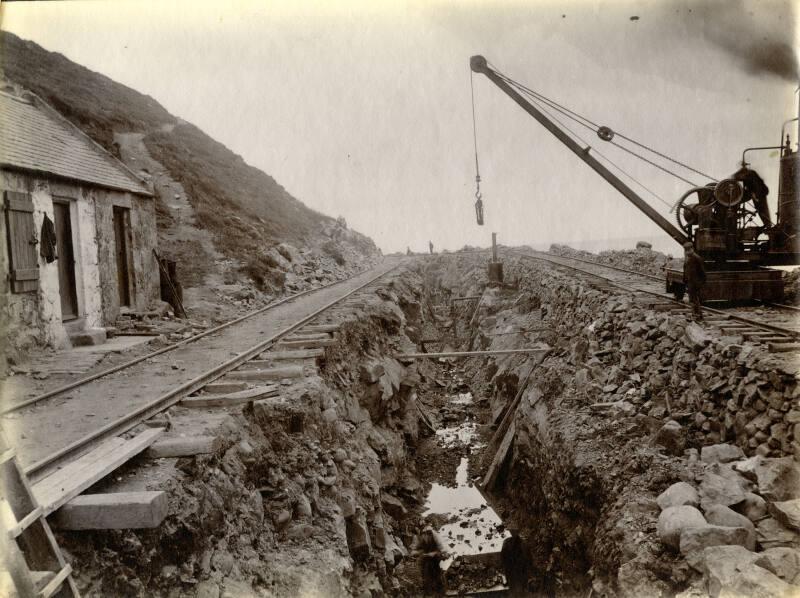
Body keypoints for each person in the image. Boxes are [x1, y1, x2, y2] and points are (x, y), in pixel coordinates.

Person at [413, 525, 446, 595]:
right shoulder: (422, 538)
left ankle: (440, 590)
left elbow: (442, 549)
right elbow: (416, 549)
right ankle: (429, 591)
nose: (425, 536)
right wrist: (418, 552)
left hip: (437, 557)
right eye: (423, 534)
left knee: (437, 573)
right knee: (427, 572)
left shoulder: (435, 536)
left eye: (427, 534)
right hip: (427, 558)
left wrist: (434, 553)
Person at [683, 241, 706, 321]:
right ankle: (696, 315)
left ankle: (698, 316)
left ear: (692, 249)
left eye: (688, 250)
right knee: (692, 300)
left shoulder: (697, 258)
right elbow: (685, 270)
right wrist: (685, 281)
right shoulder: (687, 258)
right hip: (690, 282)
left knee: (695, 300)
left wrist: (700, 283)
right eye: (686, 250)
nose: (687, 252)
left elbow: (702, 272)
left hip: (695, 283)